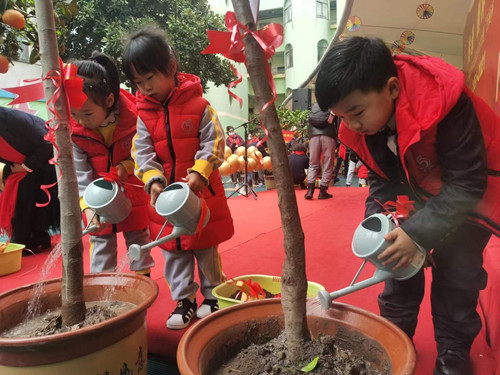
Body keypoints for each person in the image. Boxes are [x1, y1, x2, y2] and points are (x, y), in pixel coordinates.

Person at [315, 36, 500, 375]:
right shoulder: (367, 124)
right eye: (341, 116)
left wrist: (417, 233)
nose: (352, 125)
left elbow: (467, 182)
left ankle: (453, 353)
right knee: (395, 266)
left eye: (356, 112)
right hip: (417, 195)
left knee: (458, 275)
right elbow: (382, 181)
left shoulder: (447, 103)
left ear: (392, 88)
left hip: (469, 196)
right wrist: (382, 228)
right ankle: (395, 338)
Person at [122, 27, 234, 330]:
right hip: (165, 200)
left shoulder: (200, 106)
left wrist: (200, 171)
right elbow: (140, 153)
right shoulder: (143, 116)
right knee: (173, 251)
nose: (145, 88)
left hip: (201, 193)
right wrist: (153, 180)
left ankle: (213, 296)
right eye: (138, 82)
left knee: (205, 246)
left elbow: (214, 142)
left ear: (171, 69)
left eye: (150, 78)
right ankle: (184, 300)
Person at [70, 52, 154, 276]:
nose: (80, 121)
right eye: (74, 114)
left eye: (87, 113)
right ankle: (102, 287)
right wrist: (87, 208)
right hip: (96, 194)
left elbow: (146, 151)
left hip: (132, 189)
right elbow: (80, 174)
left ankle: (143, 281)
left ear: (108, 101)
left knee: (138, 238)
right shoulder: (75, 132)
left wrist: (126, 167)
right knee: (101, 242)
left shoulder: (135, 117)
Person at [0, 107, 60, 251]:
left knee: (30, 202)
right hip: (18, 166)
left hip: (44, 164)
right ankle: (27, 239)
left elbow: (48, 144)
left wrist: (26, 167)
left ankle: (30, 239)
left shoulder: (14, 121)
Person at [304, 102, 337, 200]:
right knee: (328, 164)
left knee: (313, 163)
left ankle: (310, 191)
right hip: (328, 135)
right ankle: (323, 191)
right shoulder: (333, 105)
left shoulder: (314, 106)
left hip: (314, 136)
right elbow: (337, 122)